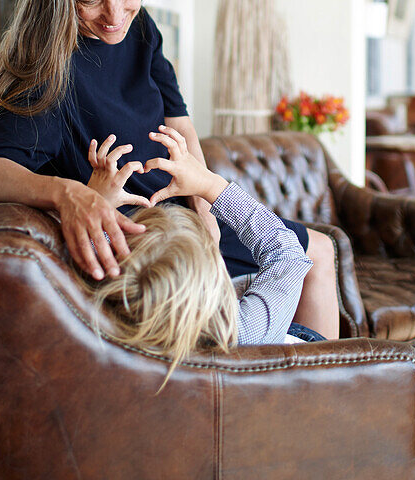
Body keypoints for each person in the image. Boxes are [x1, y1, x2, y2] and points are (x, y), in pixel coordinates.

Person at [0, 0, 340, 338]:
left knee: (319, 250)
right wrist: (68, 194)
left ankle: (312, 381)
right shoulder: (47, 69)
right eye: (91, 0)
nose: (114, 17)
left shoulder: (142, 29)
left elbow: (181, 124)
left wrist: (204, 206)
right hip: (148, 239)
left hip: (183, 213)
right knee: (307, 257)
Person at [84, 125, 320, 381]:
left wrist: (98, 202)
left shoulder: (115, 318)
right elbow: (287, 253)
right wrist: (210, 185)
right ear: (215, 271)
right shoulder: (247, 331)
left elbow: (97, 270)